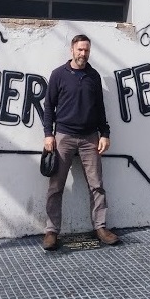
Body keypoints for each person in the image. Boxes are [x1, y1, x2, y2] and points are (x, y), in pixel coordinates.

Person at [42, 34, 118, 251]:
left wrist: (105, 133)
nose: (83, 54)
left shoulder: (93, 76)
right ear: (72, 50)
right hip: (63, 136)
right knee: (56, 186)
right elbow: (49, 107)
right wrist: (49, 134)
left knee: (97, 186)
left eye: (86, 50)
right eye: (80, 50)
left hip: (90, 138)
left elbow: (100, 109)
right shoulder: (58, 75)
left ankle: (100, 228)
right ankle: (51, 231)